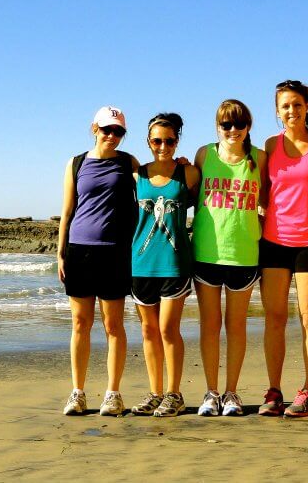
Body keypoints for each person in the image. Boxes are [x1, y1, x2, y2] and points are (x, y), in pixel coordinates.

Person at [258, 80, 308, 417]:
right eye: (285, 106)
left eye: (297, 104)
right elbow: (261, 192)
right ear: (277, 111)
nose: (292, 110)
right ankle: (274, 391)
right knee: (274, 319)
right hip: (274, 241)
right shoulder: (269, 145)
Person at [58, 106, 139, 416]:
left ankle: (113, 393)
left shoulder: (127, 162)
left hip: (116, 252)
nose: (111, 136)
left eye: (118, 131)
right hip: (80, 250)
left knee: (113, 326)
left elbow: (154, 181)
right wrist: (60, 252)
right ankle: (77, 393)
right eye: (107, 129)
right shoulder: (76, 163)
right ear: (94, 128)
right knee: (80, 324)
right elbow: (67, 211)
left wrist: (180, 166)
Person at [190, 100, 266, 417]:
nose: (232, 130)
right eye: (226, 125)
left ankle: (232, 393)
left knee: (236, 327)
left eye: (239, 124)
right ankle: (211, 392)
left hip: (245, 254)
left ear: (248, 126)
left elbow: (273, 200)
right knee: (210, 326)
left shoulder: (260, 158)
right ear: (217, 127)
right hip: (207, 253)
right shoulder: (204, 155)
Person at [128, 113, 200, 418]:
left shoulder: (190, 173)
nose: (163, 146)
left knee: (169, 329)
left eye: (169, 141)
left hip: (175, 263)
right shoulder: (137, 175)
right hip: (141, 263)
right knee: (148, 331)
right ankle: (155, 392)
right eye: (157, 140)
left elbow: (206, 207)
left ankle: (174, 393)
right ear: (148, 141)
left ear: (177, 141)